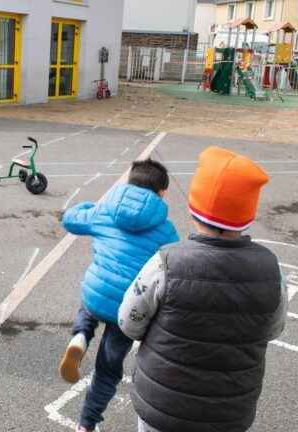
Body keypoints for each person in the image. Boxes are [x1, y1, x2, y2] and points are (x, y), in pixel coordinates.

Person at [118, 146, 288, 432]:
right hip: (229, 412)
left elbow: (128, 321)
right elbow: (274, 328)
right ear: (248, 213)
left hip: (163, 406)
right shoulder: (271, 269)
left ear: (194, 206)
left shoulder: (166, 261)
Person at [59, 160, 179, 432]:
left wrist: (93, 207)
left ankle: (81, 334)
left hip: (96, 295)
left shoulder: (105, 211)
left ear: (128, 184)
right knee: (108, 369)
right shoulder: (166, 229)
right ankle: (86, 424)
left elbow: (70, 218)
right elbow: (174, 263)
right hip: (129, 309)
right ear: (161, 193)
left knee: (92, 298)